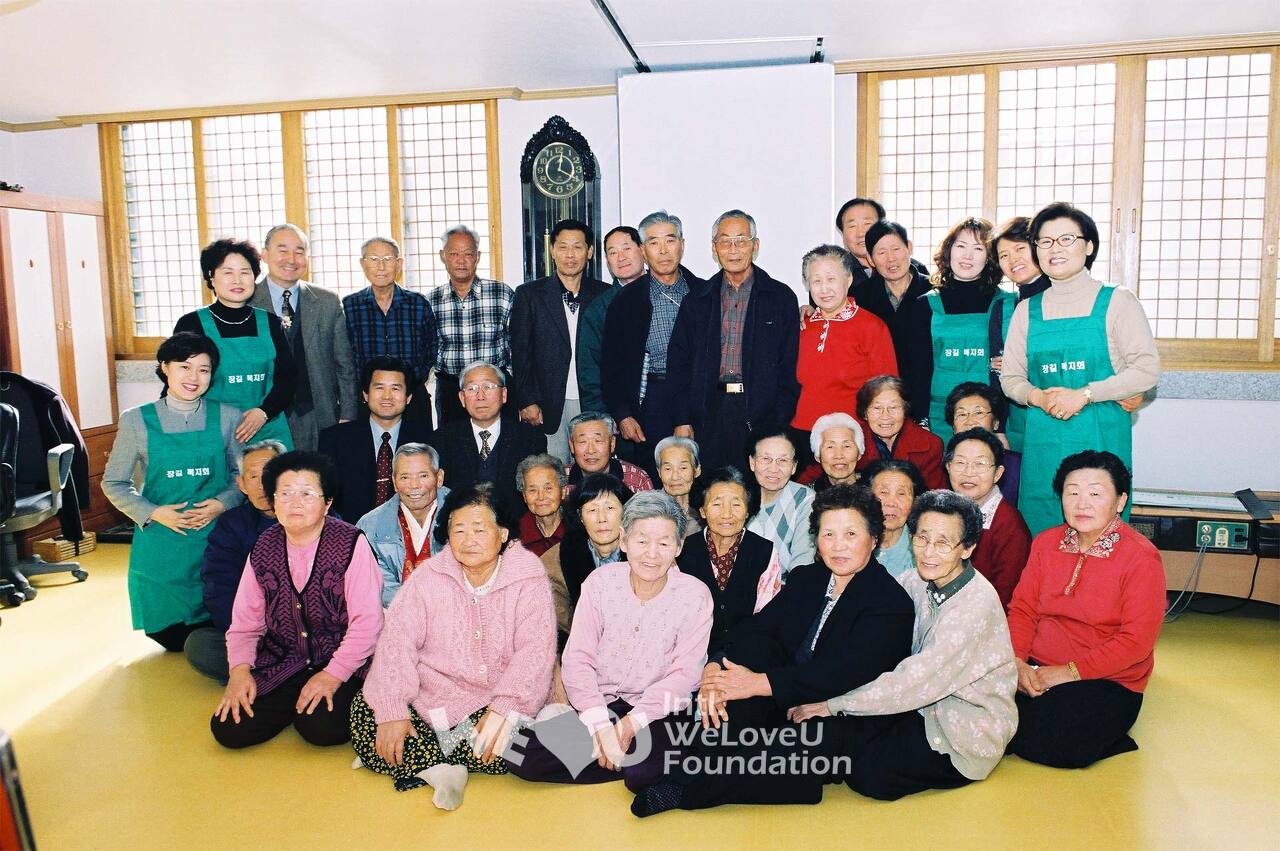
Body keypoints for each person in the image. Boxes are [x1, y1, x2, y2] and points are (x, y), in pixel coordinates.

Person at [630, 484, 915, 817]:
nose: (838, 545)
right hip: (788, 693)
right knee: (752, 659)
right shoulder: (809, 578)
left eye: (850, 534)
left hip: (841, 710)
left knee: (802, 748)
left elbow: (845, 672)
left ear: (874, 539)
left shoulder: (890, 602)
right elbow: (759, 627)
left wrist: (759, 683)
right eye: (828, 534)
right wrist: (717, 665)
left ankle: (685, 787)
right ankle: (710, 757)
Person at [784, 490, 1018, 803]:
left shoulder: (975, 605)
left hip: (961, 730)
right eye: (922, 538)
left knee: (868, 773)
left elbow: (914, 681)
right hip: (916, 709)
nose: (929, 552)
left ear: (968, 548)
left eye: (943, 543)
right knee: (841, 739)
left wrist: (833, 703)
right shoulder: (916, 581)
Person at [351, 484, 557, 809]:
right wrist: (393, 709)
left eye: (479, 529)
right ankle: (438, 769)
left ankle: (412, 758)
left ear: (503, 534)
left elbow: (535, 653)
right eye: (458, 530)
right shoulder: (428, 577)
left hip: (494, 701)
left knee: (518, 748)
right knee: (366, 709)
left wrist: (505, 708)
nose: (468, 539)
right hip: (432, 696)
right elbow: (396, 642)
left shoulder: (528, 578)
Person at [508, 491, 713, 792]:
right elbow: (578, 658)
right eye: (642, 541)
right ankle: (611, 751)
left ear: (679, 547)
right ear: (624, 541)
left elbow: (686, 675)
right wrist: (600, 725)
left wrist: (631, 724)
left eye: (664, 543)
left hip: (656, 711)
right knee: (518, 753)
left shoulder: (695, 596)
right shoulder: (600, 584)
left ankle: (607, 754)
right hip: (603, 704)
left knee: (642, 776)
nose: (652, 554)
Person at [1001, 203, 1160, 534]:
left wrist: (1085, 394)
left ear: (1088, 247)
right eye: (1045, 242)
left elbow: (1146, 370)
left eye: (1066, 239)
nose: (1054, 249)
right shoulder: (1026, 311)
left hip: (1101, 438)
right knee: (1044, 529)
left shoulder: (1118, 301)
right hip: (1044, 441)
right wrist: (1038, 397)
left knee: (1100, 528)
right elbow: (1011, 378)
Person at [211, 451, 383, 749]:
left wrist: (332, 675)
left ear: (327, 503)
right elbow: (245, 623)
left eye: (307, 493)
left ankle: (330, 697)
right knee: (229, 728)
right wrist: (239, 672)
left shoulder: (351, 543)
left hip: (343, 658)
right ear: (273, 501)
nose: (295, 502)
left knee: (321, 729)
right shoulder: (263, 547)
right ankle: (295, 699)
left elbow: (368, 624)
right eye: (285, 493)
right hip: (285, 659)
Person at [1006, 451, 1166, 769]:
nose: (1082, 504)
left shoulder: (1141, 557)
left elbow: (1136, 641)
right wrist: (1017, 663)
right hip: (1036, 667)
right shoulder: (1045, 543)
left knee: (1052, 741)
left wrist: (1068, 673)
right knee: (972, 705)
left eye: (1095, 494)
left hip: (1108, 679)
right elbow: (1023, 610)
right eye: (1073, 493)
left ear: (1120, 501)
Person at [103, 332, 244, 653]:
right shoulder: (136, 420)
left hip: (216, 536)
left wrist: (221, 504)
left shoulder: (228, 416)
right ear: (165, 367)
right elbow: (113, 483)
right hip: (163, 539)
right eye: (184, 367)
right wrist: (153, 512)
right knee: (172, 638)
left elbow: (241, 476)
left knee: (221, 623)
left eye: (203, 370)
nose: (194, 377)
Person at [669, 210, 800, 471]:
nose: (733, 249)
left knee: (756, 485)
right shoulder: (697, 300)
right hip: (710, 410)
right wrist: (682, 418)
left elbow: (790, 366)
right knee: (712, 484)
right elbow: (679, 363)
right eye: (725, 241)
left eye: (741, 240)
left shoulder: (780, 297)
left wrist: (779, 421)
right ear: (714, 248)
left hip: (760, 412)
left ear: (755, 246)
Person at [601, 211, 706, 479]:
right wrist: (623, 414)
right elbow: (611, 365)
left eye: (670, 241)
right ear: (643, 250)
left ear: (682, 244)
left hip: (698, 396)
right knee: (653, 476)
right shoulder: (626, 300)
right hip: (651, 398)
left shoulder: (705, 294)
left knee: (697, 475)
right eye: (653, 242)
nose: (663, 250)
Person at [903, 217, 1015, 446]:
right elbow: (917, 371)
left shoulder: (1008, 304)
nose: (967, 256)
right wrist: (921, 421)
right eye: (961, 246)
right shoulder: (924, 305)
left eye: (978, 249)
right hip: (938, 419)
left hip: (991, 419)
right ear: (949, 250)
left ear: (990, 256)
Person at [174, 238, 296, 449]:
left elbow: (288, 377)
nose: (237, 280)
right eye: (228, 272)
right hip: (213, 432)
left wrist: (263, 412)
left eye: (245, 272)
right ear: (211, 277)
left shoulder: (270, 322)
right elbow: (179, 382)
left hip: (268, 428)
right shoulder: (192, 323)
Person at [249, 223, 359, 451]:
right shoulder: (247, 301)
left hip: (318, 413)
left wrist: (348, 415)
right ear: (265, 255)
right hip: (263, 417)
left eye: (299, 252)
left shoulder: (327, 301)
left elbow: (345, 365)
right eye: (282, 250)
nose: (291, 259)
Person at [510, 219, 611, 462]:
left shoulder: (605, 293)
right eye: (563, 247)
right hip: (548, 403)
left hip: (593, 400)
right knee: (554, 471)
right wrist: (527, 400)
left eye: (577, 247)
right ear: (552, 251)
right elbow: (520, 352)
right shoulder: (529, 294)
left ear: (589, 252)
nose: (570, 255)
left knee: (592, 467)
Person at [187, 439, 285, 682]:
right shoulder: (231, 524)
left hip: (311, 631)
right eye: (253, 476)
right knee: (200, 645)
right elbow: (219, 589)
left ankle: (266, 675)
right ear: (241, 485)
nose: (262, 484)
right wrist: (248, 636)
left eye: (270, 473)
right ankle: (280, 672)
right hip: (256, 633)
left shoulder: (313, 514)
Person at [792, 244, 896, 467]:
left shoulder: (871, 326)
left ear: (848, 280)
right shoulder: (801, 325)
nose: (824, 288)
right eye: (816, 281)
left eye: (831, 279)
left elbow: (886, 391)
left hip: (851, 437)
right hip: (802, 432)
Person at [677, 467, 782, 655]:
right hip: (690, 653)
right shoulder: (683, 551)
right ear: (702, 510)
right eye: (717, 504)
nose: (727, 514)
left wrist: (725, 658)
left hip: (747, 653)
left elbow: (765, 618)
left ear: (748, 510)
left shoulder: (764, 551)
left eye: (736, 504)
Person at [317, 356, 432, 524]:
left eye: (395, 388)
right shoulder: (334, 439)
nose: (387, 396)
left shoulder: (427, 441)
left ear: (408, 398)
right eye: (379, 388)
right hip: (349, 531)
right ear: (365, 394)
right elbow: (326, 499)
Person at [342, 236, 437, 432]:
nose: (381, 266)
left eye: (387, 259)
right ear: (363, 264)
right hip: (366, 398)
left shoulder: (418, 303)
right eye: (373, 259)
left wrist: (408, 383)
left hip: (412, 398)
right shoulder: (349, 305)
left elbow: (432, 349)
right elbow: (344, 355)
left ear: (399, 263)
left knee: (417, 448)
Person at [429, 361, 546, 512]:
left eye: (488, 387)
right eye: (472, 388)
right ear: (462, 398)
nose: (480, 396)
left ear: (504, 394)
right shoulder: (442, 440)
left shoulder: (531, 439)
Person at [428, 225, 515, 426]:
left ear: (477, 257)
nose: (461, 260)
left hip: (494, 387)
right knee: (453, 442)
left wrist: (510, 383)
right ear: (443, 256)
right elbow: (429, 350)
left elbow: (516, 346)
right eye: (454, 254)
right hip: (451, 389)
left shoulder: (501, 294)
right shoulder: (431, 301)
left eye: (468, 254)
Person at [356, 443, 451, 607]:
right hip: (394, 614)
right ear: (394, 481)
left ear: (439, 477)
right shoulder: (370, 525)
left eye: (423, 476)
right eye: (405, 477)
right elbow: (377, 585)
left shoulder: (463, 515)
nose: (414, 485)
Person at [945, 428, 1031, 609]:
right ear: (948, 467)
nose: (969, 472)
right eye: (960, 462)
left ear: (998, 474)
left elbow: (1005, 597)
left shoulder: (1009, 526)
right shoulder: (941, 511)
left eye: (980, 464)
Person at [577, 225, 646, 415]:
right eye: (613, 252)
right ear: (607, 261)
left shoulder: (665, 293)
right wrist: (600, 416)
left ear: (642, 249)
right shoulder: (599, 308)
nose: (621, 257)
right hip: (619, 413)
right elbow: (589, 369)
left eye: (626, 248)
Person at [852, 220, 933, 378]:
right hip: (878, 387)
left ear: (909, 248)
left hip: (926, 384)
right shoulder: (860, 296)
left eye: (896, 249)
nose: (891, 259)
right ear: (870, 259)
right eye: (881, 252)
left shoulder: (933, 290)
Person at [547, 472, 634, 609]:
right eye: (592, 510)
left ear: (626, 512)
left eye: (610, 508)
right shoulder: (558, 558)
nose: (602, 518)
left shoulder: (644, 553)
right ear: (580, 517)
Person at [745, 428, 815, 576]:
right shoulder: (738, 496)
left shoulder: (805, 499)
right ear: (752, 462)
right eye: (766, 459)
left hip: (787, 586)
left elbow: (803, 562)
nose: (774, 469)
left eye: (783, 460)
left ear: (794, 466)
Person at [855, 375, 945, 489]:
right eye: (877, 408)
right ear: (865, 413)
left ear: (905, 411)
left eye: (893, 407)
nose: (885, 416)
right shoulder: (851, 442)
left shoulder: (931, 444)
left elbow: (932, 495)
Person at [945, 381, 1021, 505]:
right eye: (962, 414)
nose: (970, 421)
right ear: (953, 426)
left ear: (996, 423)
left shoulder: (1017, 466)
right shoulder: (944, 464)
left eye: (979, 413)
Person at [862, 458, 927, 579]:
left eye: (901, 493)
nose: (891, 503)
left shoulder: (925, 550)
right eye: (883, 492)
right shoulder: (850, 543)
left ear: (914, 502)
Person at [836, 197, 928, 280]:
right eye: (852, 226)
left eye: (867, 224)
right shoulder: (837, 272)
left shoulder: (915, 269)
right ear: (842, 233)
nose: (860, 233)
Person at [565, 412, 653, 494]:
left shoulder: (637, 479)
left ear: (612, 443)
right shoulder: (561, 479)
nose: (591, 450)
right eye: (582, 442)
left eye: (598, 441)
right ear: (572, 446)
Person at [516, 453, 568, 556]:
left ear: (563, 491)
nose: (541, 497)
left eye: (548, 488)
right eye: (532, 490)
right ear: (524, 496)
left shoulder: (579, 530)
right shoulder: (516, 537)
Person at [653, 435, 702, 537]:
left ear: (697, 470)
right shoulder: (648, 510)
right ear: (659, 472)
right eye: (668, 469)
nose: (675, 477)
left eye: (683, 468)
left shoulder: (706, 509)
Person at [805, 412, 865, 492]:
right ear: (817, 456)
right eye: (830, 447)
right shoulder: (808, 495)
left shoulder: (876, 491)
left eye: (846, 446)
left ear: (859, 453)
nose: (839, 455)